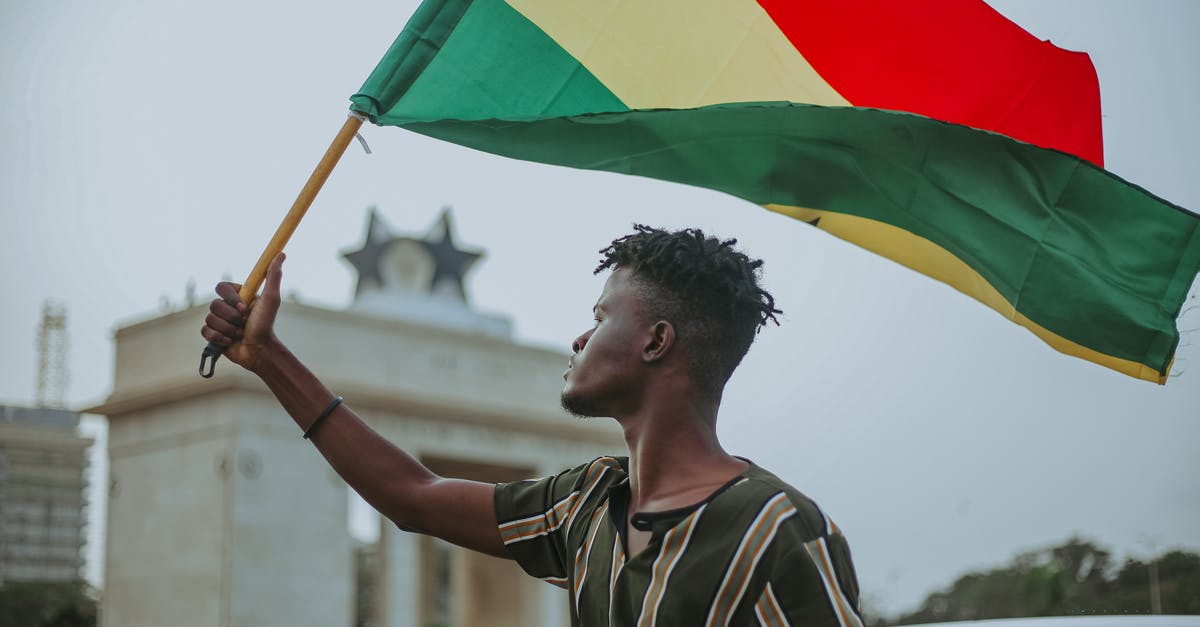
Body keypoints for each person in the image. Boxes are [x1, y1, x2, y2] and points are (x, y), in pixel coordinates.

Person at [201, 224, 862, 626]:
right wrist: (267, 359)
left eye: (601, 316)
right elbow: (413, 495)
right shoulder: (588, 504)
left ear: (657, 340)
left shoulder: (776, 530)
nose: (579, 336)